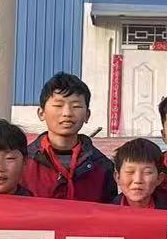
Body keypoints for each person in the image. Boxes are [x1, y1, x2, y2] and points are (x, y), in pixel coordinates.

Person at [24, 73, 117, 203]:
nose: (67, 113)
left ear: (87, 115)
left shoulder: (102, 166)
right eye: (58, 105)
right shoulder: (23, 162)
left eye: (76, 106)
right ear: (41, 113)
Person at [109, 138, 164, 209]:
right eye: (130, 172)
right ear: (117, 177)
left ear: (159, 178)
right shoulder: (105, 212)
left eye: (147, 172)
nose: (138, 180)